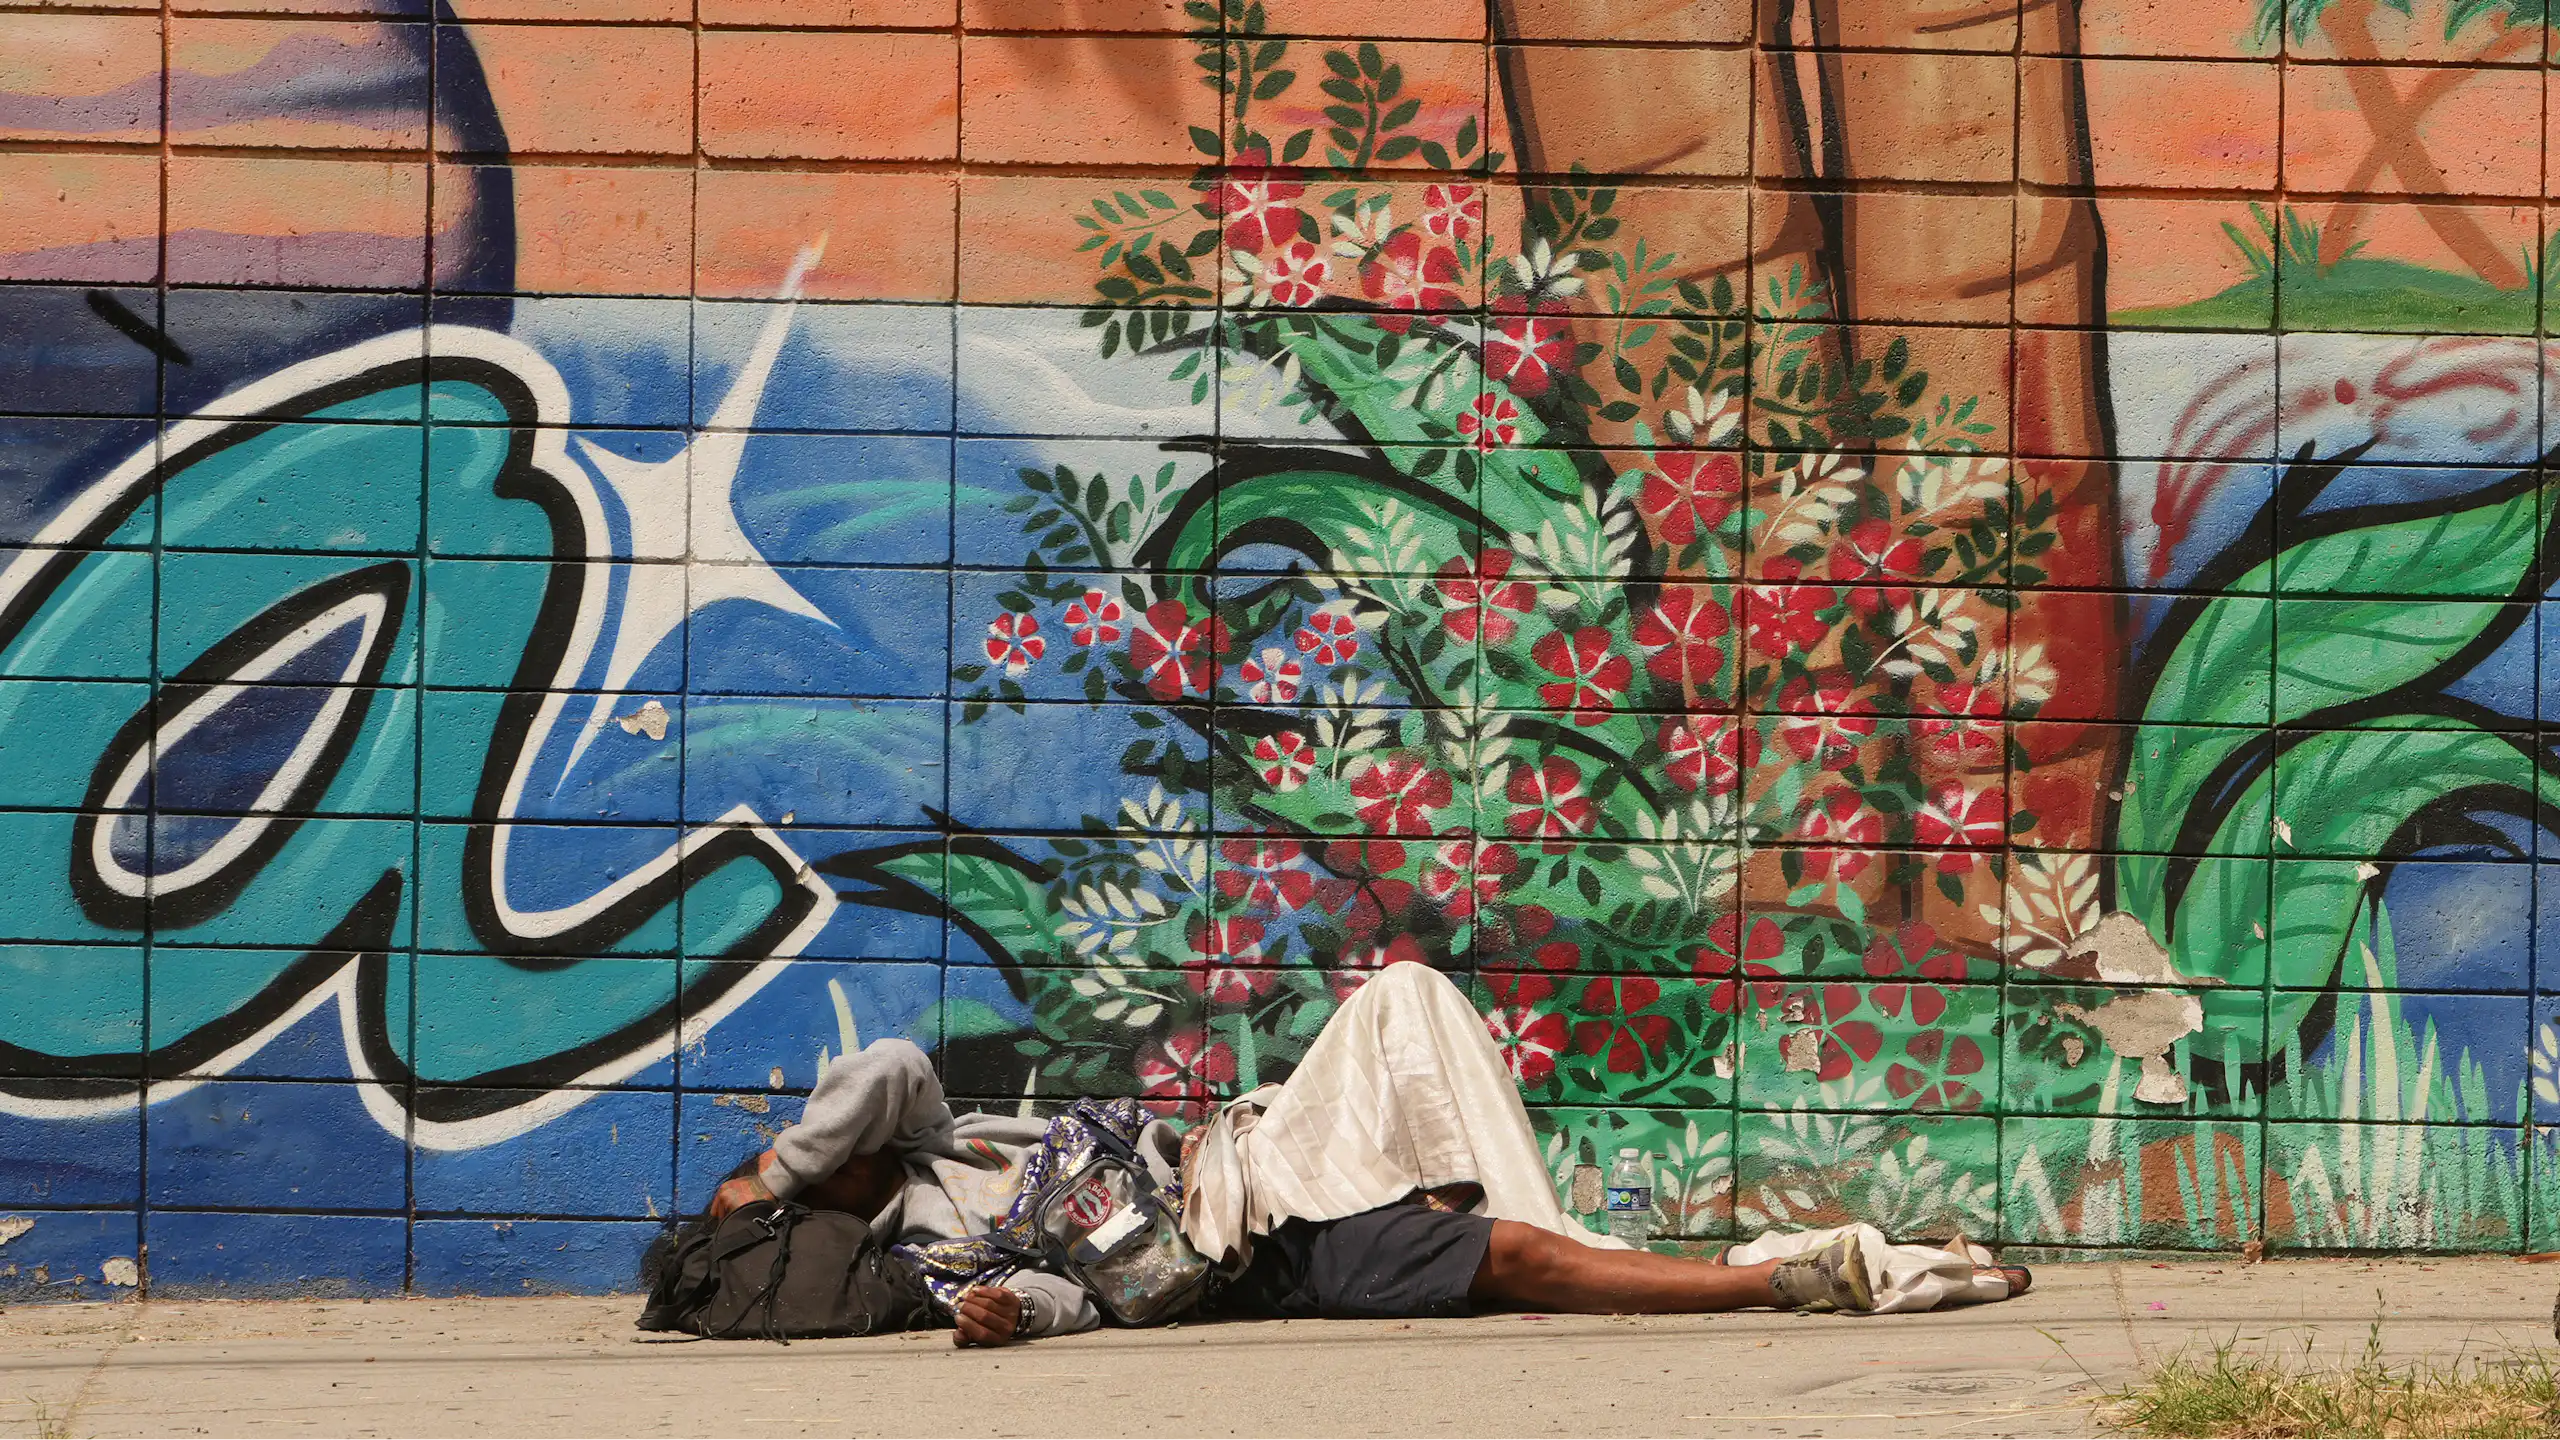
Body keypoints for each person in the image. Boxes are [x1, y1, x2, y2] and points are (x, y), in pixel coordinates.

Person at [707, 961, 2028, 1345]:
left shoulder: (942, 1131)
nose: (845, 1147)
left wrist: (767, 1176)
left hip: (1256, 1143)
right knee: (1516, 1257)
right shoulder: (934, 1251)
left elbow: (882, 1070)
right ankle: (1799, 1277)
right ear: (843, 1207)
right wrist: (1019, 1315)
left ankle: (1547, 1227)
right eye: (824, 1171)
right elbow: (1079, 1296)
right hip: (1243, 1247)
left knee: (1404, 993)